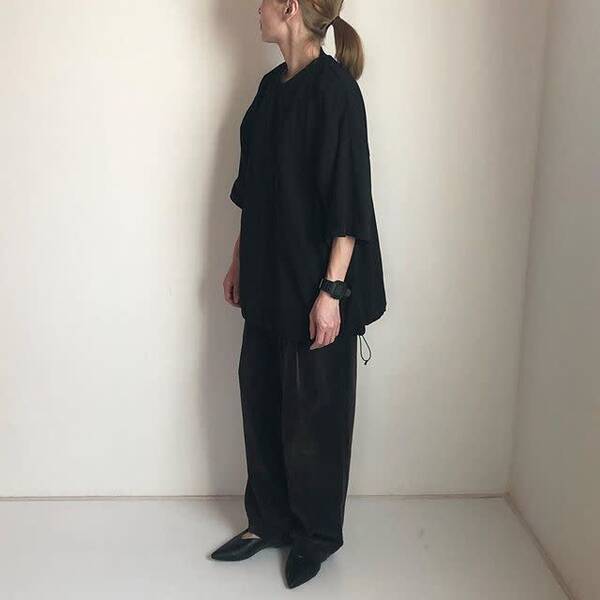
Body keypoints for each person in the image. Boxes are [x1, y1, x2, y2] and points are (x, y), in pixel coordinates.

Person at [212, 0, 386, 589]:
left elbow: (349, 199)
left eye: (263, 0)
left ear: (288, 7)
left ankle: (314, 537)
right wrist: (239, 259)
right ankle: (269, 521)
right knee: (260, 400)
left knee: (316, 417)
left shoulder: (335, 94)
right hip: (267, 280)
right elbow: (254, 189)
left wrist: (332, 292)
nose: (255, 10)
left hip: (315, 288)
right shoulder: (269, 90)